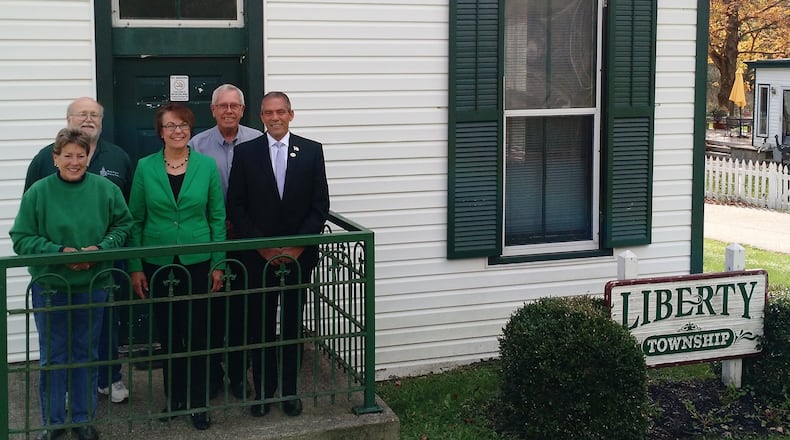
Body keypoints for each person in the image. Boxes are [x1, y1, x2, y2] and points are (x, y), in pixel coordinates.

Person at [11, 128, 133, 440]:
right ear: (55, 158)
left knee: (85, 353)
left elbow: (123, 225)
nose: (75, 161)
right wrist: (59, 253)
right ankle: (53, 423)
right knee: (53, 356)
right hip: (51, 286)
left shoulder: (105, 190)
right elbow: (22, 238)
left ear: (89, 157)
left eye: (81, 155)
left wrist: (101, 249)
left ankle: (81, 419)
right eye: (68, 156)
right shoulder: (39, 192)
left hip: (93, 283)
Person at [226, 91, 329, 417]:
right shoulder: (246, 153)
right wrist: (264, 247)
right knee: (260, 324)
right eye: (268, 112)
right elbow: (236, 206)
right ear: (260, 116)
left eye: (280, 112)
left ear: (291, 114)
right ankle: (263, 392)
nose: (275, 117)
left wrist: (297, 246)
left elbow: (319, 205)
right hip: (258, 257)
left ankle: (289, 391)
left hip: (299, 257)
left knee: (292, 323)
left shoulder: (312, 151)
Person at [127, 103, 226, 431]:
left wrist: (218, 263)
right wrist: (136, 266)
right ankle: (175, 398)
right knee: (169, 336)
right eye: (170, 126)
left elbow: (216, 218)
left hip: (197, 262)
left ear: (190, 129)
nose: (178, 131)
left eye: (183, 125)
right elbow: (135, 219)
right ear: (160, 132)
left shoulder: (206, 166)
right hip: (158, 264)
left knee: (198, 334)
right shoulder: (144, 167)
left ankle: (199, 402)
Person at [190, 84, 262, 398]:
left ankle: (237, 375)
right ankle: (212, 376)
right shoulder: (197, 144)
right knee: (211, 309)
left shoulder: (258, 141)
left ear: (243, 111)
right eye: (223, 106)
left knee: (241, 310)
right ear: (214, 110)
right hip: (210, 237)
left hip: (246, 238)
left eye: (235, 106)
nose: (229, 111)